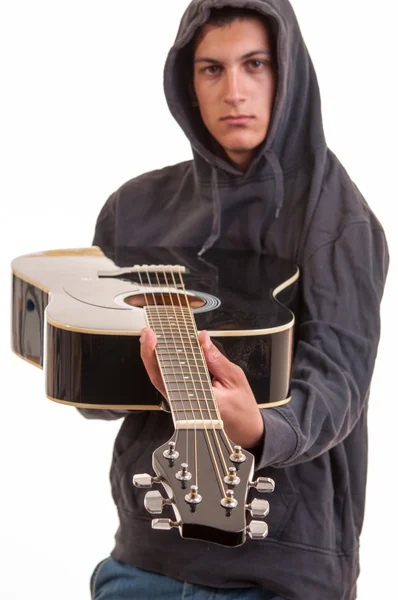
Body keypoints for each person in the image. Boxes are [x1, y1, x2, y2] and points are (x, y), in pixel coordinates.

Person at [79, 1, 389, 599]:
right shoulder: (133, 210)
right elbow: (95, 398)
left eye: (255, 64)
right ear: (186, 83)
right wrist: (92, 366)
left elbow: (340, 382)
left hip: (281, 572)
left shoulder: (340, 219)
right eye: (211, 69)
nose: (234, 91)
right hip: (145, 561)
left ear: (289, 72)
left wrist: (263, 427)